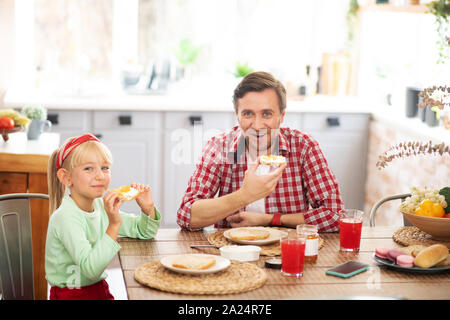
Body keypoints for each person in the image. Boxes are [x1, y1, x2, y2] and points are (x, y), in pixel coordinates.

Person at [177, 71, 344, 232]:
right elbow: (186, 216)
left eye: (267, 114)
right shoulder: (219, 147)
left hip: (286, 251)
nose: (257, 126)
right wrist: (244, 195)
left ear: (282, 116)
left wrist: (271, 219)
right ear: (237, 115)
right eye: (248, 114)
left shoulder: (303, 147)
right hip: (232, 253)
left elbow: (335, 215)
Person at [45, 133, 161, 300]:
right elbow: (90, 269)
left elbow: (143, 231)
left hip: (99, 289)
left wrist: (148, 209)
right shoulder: (65, 217)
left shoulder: (100, 207)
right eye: (88, 168)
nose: (100, 175)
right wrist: (113, 225)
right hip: (71, 293)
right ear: (66, 177)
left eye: (105, 168)